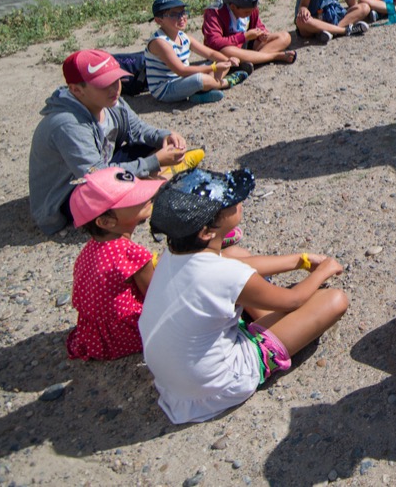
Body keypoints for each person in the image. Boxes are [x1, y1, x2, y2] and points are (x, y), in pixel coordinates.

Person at [138, 168, 349, 424]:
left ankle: (268, 318)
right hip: (219, 385)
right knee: (334, 300)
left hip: (177, 379)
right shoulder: (224, 275)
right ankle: (266, 338)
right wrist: (322, 272)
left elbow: (235, 268)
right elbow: (291, 300)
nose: (238, 202)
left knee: (237, 254)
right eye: (230, 201)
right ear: (206, 231)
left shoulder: (173, 255)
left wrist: (299, 261)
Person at [28, 50, 188, 235]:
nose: (115, 89)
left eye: (116, 80)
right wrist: (155, 161)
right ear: (76, 90)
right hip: (67, 196)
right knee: (121, 198)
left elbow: (138, 130)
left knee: (154, 145)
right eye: (104, 84)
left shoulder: (112, 101)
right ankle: (160, 183)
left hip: (99, 169)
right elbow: (97, 177)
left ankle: (153, 184)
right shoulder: (67, 124)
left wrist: (166, 136)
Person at [66, 166, 165, 361]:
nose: (145, 198)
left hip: (93, 335)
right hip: (125, 334)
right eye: (134, 199)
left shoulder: (91, 249)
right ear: (105, 222)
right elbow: (156, 297)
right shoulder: (131, 253)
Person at [144, 0, 247, 105]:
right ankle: (226, 82)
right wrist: (214, 68)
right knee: (200, 79)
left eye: (183, 12)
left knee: (220, 62)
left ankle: (202, 91)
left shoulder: (182, 36)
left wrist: (228, 60)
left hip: (184, 79)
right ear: (159, 20)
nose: (182, 17)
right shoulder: (160, 42)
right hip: (166, 89)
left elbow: (210, 53)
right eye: (174, 14)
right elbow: (181, 70)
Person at [202, 0, 296, 67]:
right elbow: (214, 42)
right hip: (229, 50)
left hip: (247, 46)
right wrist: (244, 37)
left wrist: (262, 33)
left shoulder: (252, 9)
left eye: (252, 11)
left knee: (285, 37)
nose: (250, 14)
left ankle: (251, 61)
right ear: (233, 7)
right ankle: (273, 56)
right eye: (246, 12)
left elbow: (257, 25)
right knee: (226, 51)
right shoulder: (215, 13)